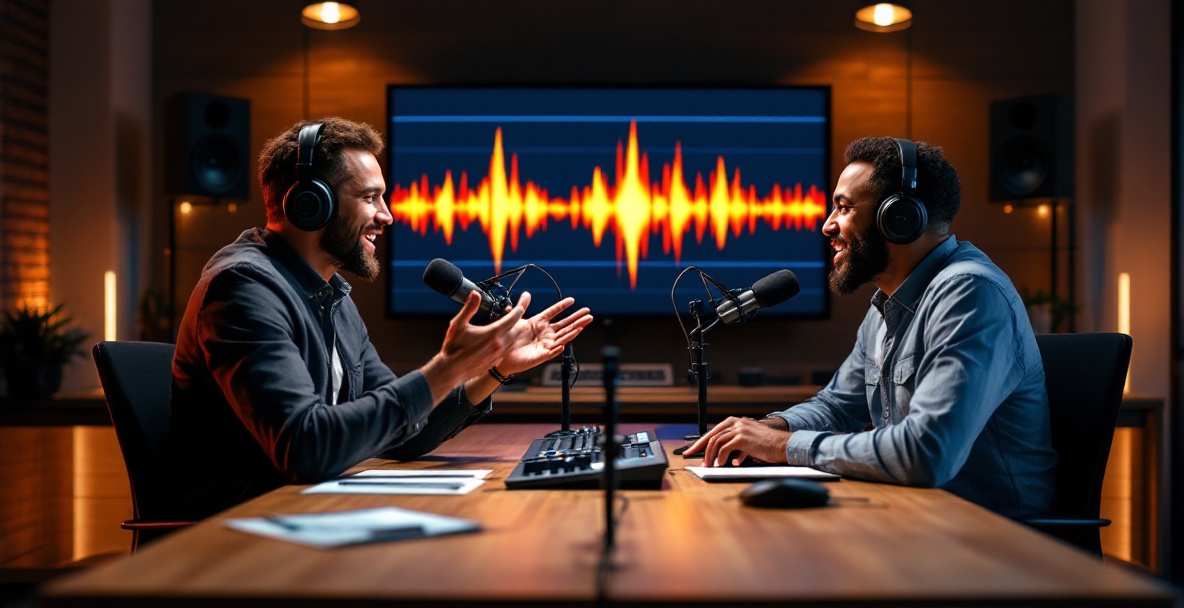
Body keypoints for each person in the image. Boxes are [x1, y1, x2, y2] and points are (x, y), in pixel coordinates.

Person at [170, 117, 593, 520]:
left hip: (309, 514)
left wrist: (492, 369)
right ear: (310, 204)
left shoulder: (331, 295)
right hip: (237, 540)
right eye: (370, 197)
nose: (387, 215)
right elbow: (305, 448)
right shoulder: (244, 288)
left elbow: (404, 432)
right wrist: (448, 367)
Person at [685, 136, 1057, 519]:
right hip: (916, 520)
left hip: (991, 543)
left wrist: (783, 445)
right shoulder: (887, 304)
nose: (828, 226)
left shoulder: (969, 294)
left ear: (899, 218)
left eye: (843, 208)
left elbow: (927, 454)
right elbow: (836, 405)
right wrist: (765, 429)